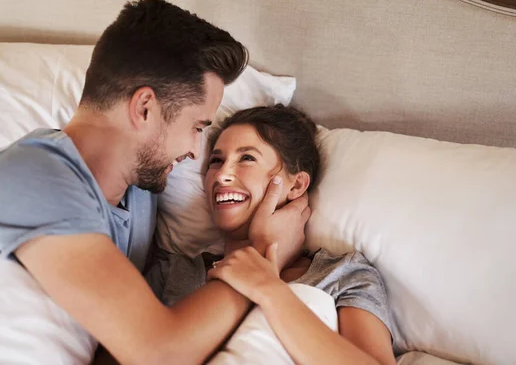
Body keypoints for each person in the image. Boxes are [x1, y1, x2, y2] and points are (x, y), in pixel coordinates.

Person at [0, 0, 310, 364]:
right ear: (144, 107)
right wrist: (262, 253)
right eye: (196, 127)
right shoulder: (30, 177)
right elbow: (159, 353)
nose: (195, 151)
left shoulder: (138, 192)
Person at [147, 105, 396, 365]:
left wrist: (268, 288)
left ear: (297, 184)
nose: (222, 175)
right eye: (216, 161)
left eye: (247, 158)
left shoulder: (343, 275)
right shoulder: (173, 271)